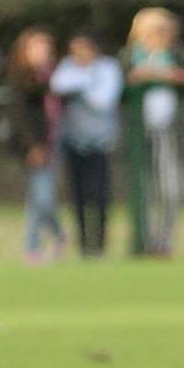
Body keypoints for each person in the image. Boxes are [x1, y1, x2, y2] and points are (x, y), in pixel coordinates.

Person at [51, 32, 122, 257]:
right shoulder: (67, 67)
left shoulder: (108, 68)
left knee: (99, 195)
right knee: (78, 196)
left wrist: (81, 84)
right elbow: (58, 85)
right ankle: (83, 246)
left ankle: (99, 245)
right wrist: (87, 82)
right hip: (73, 140)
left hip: (100, 142)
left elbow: (103, 100)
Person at [124, 7, 184, 257]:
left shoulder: (178, 55)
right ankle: (144, 242)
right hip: (140, 136)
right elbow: (127, 79)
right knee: (144, 192)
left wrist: (155, 73)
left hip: (170, 135)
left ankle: (164, 240)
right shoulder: (129, 56)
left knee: (172, 190)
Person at [6, 27, 67, 262]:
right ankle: (57, 235)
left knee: (39, 198)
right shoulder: (21, 79)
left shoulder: (55, 76)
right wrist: (33, 146)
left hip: (54, 142)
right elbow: (19, 116)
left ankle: (32, 246)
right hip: (34, 146)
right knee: (42, 197)